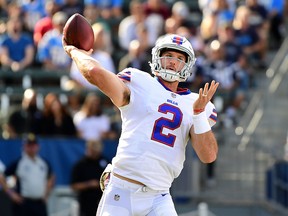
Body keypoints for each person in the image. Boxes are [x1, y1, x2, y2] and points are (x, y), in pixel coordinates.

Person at [63, 33, 219, 215]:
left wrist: (199, 114)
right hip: (122, 189)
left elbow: (208, 156)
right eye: (168, 55)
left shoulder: (194, 103)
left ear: (188, 65)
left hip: (159, 197)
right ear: (157, 57)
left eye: (179, 58)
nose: (173, 62)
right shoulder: (139, 82)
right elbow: (94, 73)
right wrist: (75, 51)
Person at [0, 133, 55, 216]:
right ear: (25, 146)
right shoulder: (19, 162)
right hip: (24, 203)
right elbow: (2, 177)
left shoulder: (43, 163)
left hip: (40, 202)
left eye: (34, 145)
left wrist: (47, 193)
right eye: (29, 145)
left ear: (38, 146)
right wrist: (11, 194)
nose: (32, 148)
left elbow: (51, 176)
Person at [71, 140, 110, 216]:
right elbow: (74, 185)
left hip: (103, 202)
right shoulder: (80, 165)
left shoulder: (105, 162)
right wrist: (89, 184)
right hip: (86, 203)